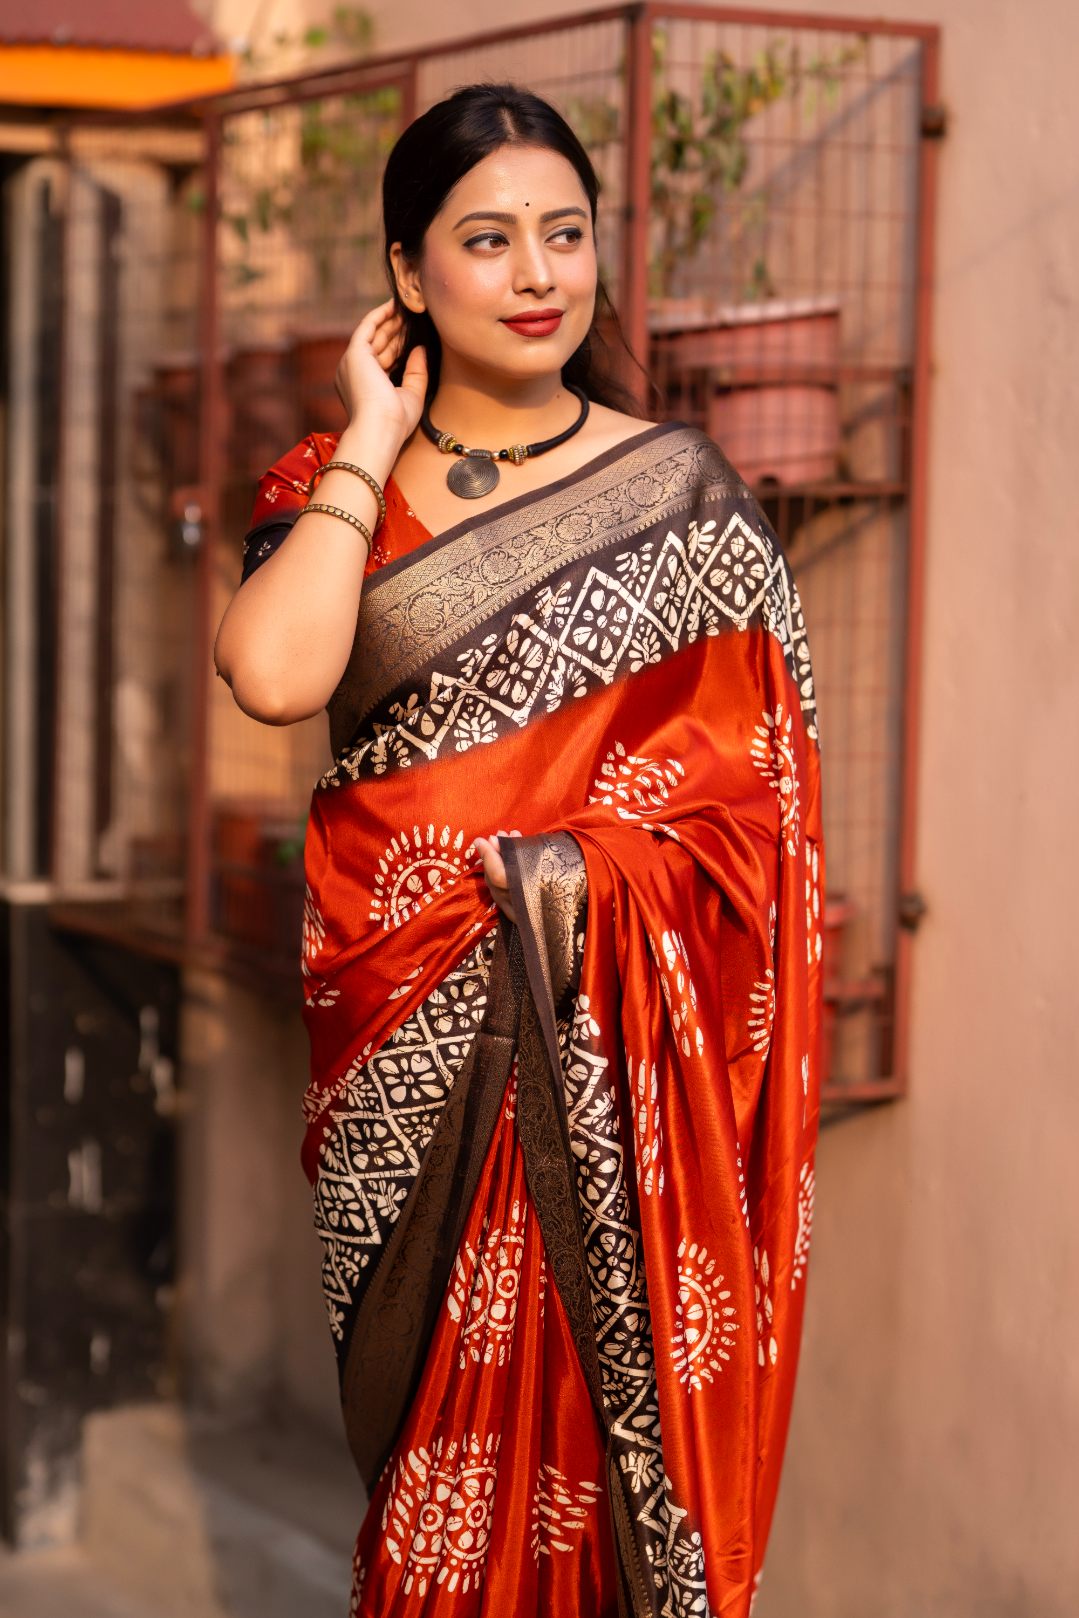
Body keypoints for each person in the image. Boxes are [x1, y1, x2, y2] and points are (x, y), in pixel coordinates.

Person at [214, 80, 825, 1618]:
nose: (541, 273)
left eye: (567, 234)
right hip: (405, 1053)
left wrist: (582, 886)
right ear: (409, 273)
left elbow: (763, 822)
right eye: (489, 241)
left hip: (620, 1055)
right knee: (433, 1469)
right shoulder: (334, 489)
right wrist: (371, 432)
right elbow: (280, 675)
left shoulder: (684, 499)